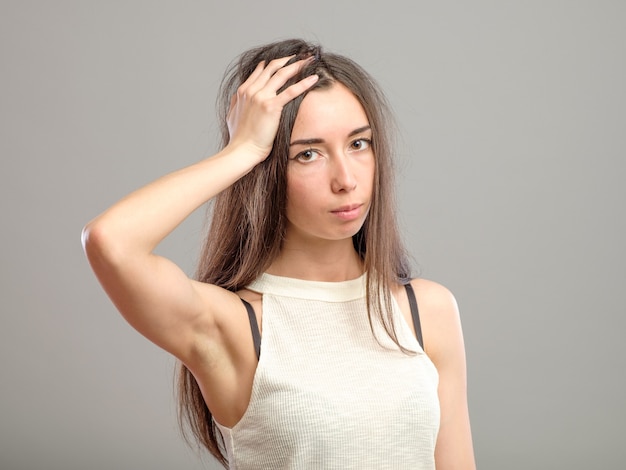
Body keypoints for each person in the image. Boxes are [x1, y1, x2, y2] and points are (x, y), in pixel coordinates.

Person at [82, 38, 475, 469]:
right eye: (308, 154)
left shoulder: (427, 310)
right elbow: (111, 241)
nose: (346, 179)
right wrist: (242, 150)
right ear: (266, 172)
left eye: (359, 144)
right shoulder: (234, 324)